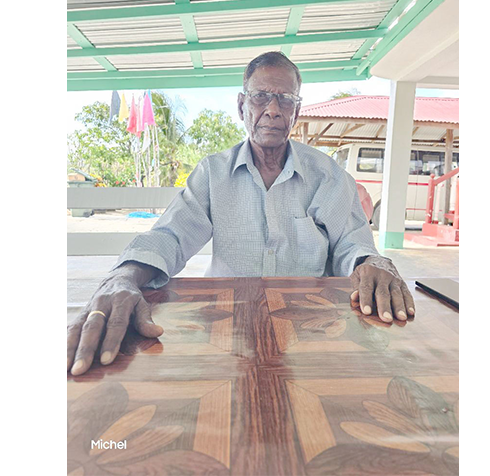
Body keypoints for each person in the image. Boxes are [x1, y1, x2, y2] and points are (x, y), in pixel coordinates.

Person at [67, 52, 415, 376]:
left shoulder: (328, 176)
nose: (274, 109)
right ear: (241, 105)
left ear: (296, 110)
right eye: (261, 96)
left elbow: (352, 246)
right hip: (224, 328)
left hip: (312, 328)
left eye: (286, 99)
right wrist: (122, 278)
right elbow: (170, 237)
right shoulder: (212, 174)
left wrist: (374, 262)